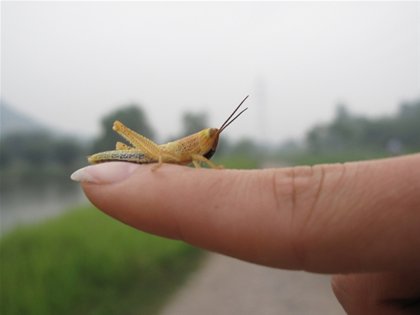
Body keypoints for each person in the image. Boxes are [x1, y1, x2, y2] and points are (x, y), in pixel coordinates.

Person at [71, 153, 420, 314]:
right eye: (211, 139)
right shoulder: (185, 150)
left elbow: (196, 160)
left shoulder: (198, 151)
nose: (212, 143)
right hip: (155, 155)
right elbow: (177, 159)